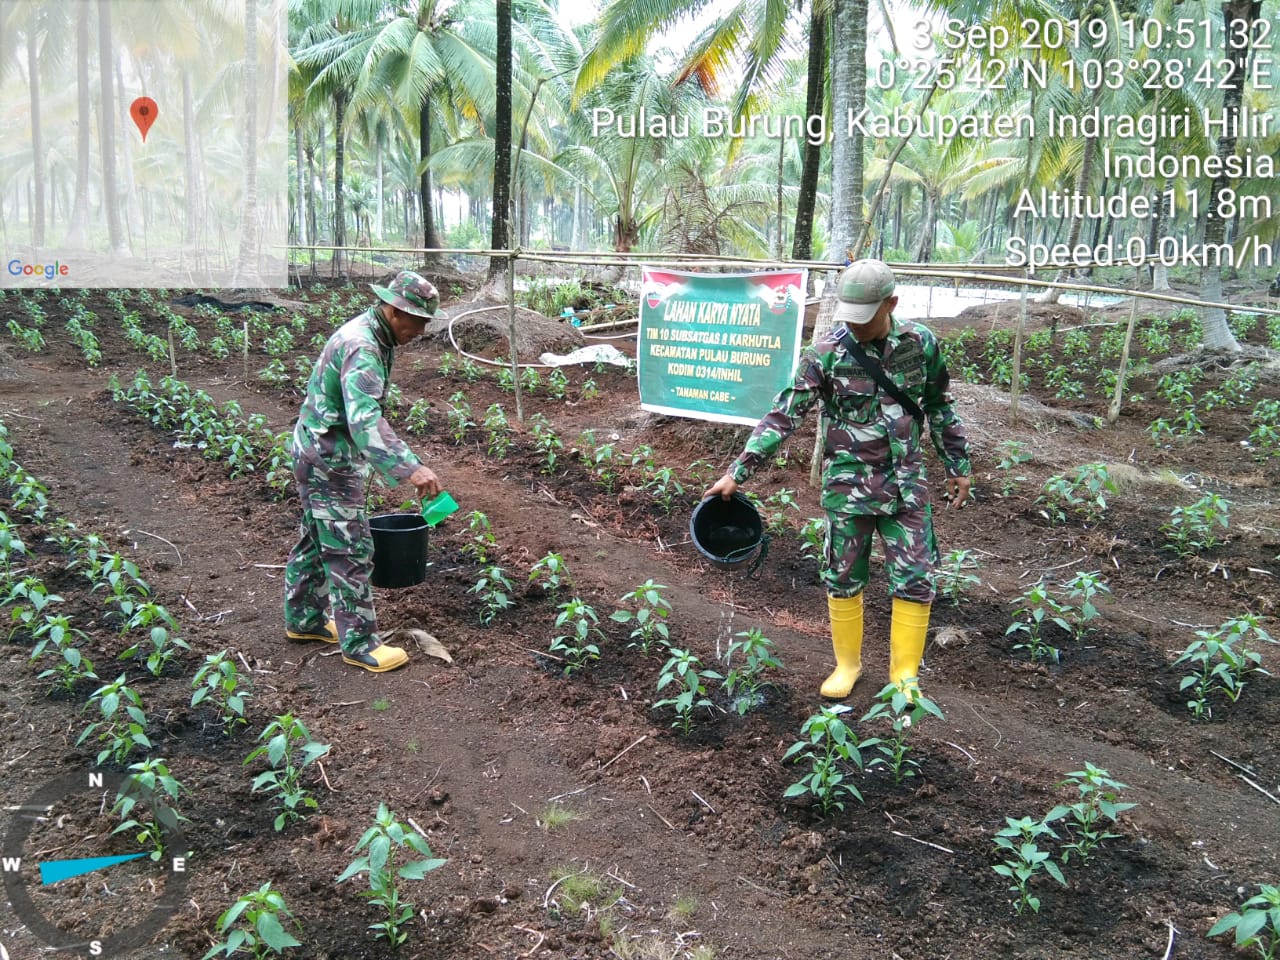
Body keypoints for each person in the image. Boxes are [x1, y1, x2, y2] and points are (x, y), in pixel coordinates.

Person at [703, 259, 972, 700]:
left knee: (915, 578)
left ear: (891, 303)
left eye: (865, 316)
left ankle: (904, 676)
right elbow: (784, 414)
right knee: (842, 576)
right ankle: (847, 665)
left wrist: (958, 464)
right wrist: (738, 472)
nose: (855, 325)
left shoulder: (920, 344)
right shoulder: (827, 352)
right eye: (849, 314)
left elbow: (940, 405)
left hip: (907, 487)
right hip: (848, 491)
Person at [283, 270, 443, 673]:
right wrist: (411, 468)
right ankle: (360, 643)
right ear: (393, 310)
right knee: (350, 547)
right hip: (327, 459)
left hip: (316, 448)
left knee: (317, 538)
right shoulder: (363, 346)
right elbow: (364, 420)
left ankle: (304, 620)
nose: (420, 331)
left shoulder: (375, 335)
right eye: (417, 321)